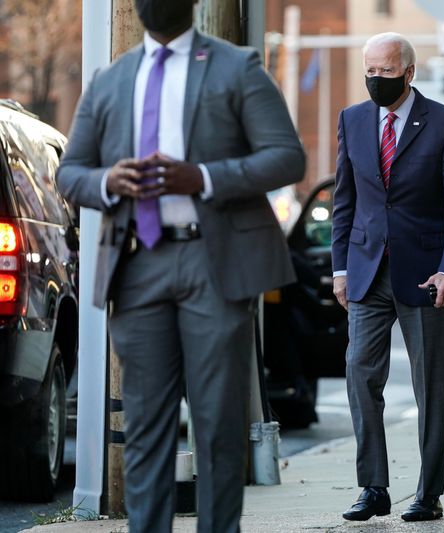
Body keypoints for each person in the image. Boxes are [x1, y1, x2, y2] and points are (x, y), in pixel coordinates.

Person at [56, 1, 305, 531]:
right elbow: (71, 172)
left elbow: (286, 157)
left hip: (213, 263)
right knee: (145, 425)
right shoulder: (110, 80)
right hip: (137, 263)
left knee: (217, 422)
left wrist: (204, 177)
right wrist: (107, 182)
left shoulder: (237, 66)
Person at [331, 32, 444, 522]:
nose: (376, 79)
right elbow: (345, 202)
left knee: (430, 387)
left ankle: (428, 493)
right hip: (367, 271)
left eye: (385, 71)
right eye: (369, 71)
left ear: (408, 72)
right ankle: (373, 486)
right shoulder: (352, 120)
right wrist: (340, 268)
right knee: (359, 373)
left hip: (426, 276)